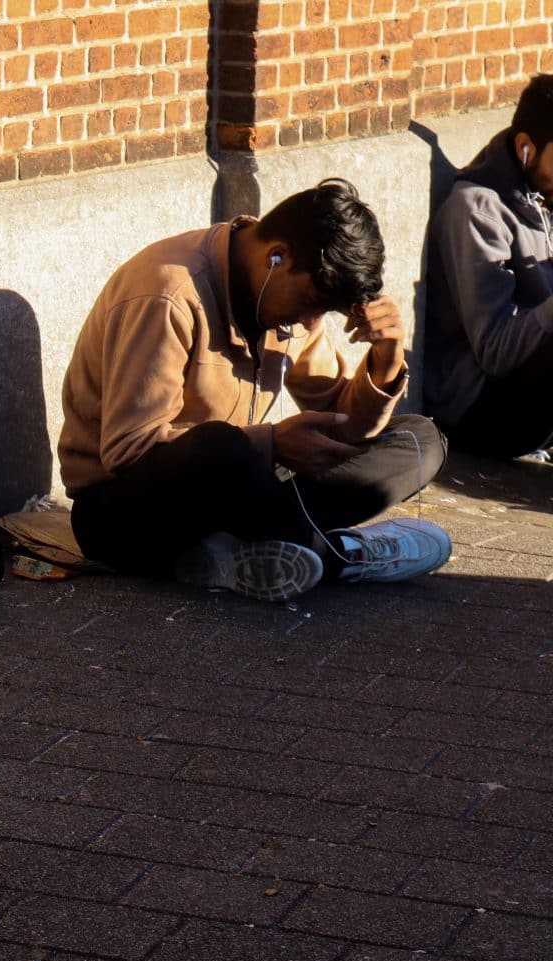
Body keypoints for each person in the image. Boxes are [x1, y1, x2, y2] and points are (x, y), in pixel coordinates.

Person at [59, 178, 451, 601]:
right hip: (122, 513)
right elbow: (128, 450)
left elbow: (343, 422)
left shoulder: (293, 304)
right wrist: (273, 445)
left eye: (322, 311)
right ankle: (340, 555)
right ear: (276, 256)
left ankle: (246, 550)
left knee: (420, 440)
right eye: (310, 301)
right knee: (221, 448)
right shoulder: (167, 294)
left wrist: (387, 358)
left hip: (241, 487)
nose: (307, 322)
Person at [424, 74, 553, 460]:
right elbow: (495, 351)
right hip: (477, 410)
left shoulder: (545, 190)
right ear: (526, 148)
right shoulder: (476, 210)